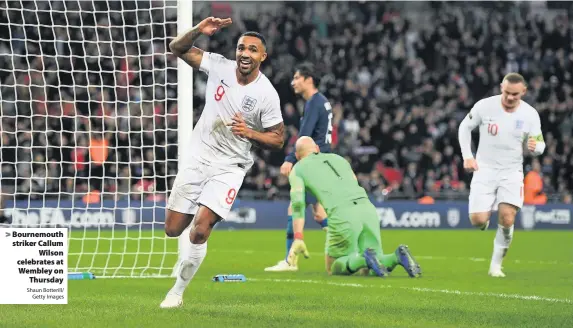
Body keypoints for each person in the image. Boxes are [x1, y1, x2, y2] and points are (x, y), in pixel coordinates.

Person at [161, 17, 285, 308]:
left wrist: (250, 132)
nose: (245, 53)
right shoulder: (218, 65)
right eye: (242, 47)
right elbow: (177, 48)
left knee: (201, 229)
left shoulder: (266, 94)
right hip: (198, 157)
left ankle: (176, 292)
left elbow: (278, 139)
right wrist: (197, 31)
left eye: (253, 50)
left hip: (230, 166)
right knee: (173, 229)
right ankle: (189, 254)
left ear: (262, 57)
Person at [286, 137, 421, 278]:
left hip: (343, 214)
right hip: (367, 208)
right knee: (374, 266)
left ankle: (365, 259)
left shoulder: (298, 169)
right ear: (318, 150)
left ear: (297, 156)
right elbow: (354, 182)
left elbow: (297, 204)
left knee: (333, 267)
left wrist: (298, 236)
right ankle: (396, 256)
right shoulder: (339, 159)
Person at [458, 72, 545, 278]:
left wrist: (536, 148)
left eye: (515, 94)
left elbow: (540, 143)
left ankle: (496, 266)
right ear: (501, 88)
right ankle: (483, 219)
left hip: (511, 172)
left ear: (523, 92)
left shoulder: (530, 114)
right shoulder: (485, 106)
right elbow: (464, 127)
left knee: (507, 218)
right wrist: (467, 156)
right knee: (478, 220)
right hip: (484, 170)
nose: (510, 98)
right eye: (506, 92)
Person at [265, 63, 332, 272]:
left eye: (296, 78)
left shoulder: (314, 102)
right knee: (319, 213)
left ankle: (290, 260)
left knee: (298, 208)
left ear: (308, 79)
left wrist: (290, 159)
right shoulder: (322, 102)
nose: (293, 82)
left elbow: (304, 136)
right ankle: (349, 247)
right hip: (321, 161)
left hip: (312, 162)